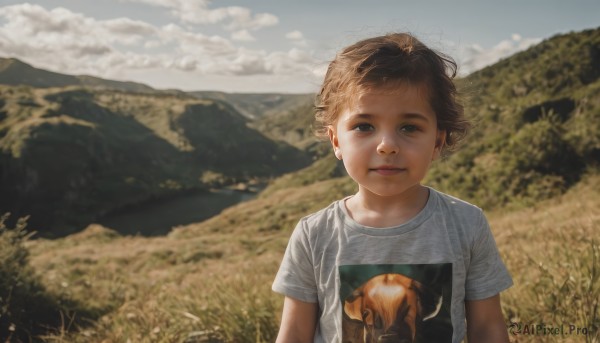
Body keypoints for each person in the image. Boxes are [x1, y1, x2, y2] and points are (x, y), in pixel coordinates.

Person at [272, 32, 512, 343]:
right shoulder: (314, 234)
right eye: (364, 126)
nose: (386, 145)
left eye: (409, 127)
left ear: (438, 140)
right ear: (335, 140)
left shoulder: (467, 224)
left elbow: (488, 328)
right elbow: (293, 334)